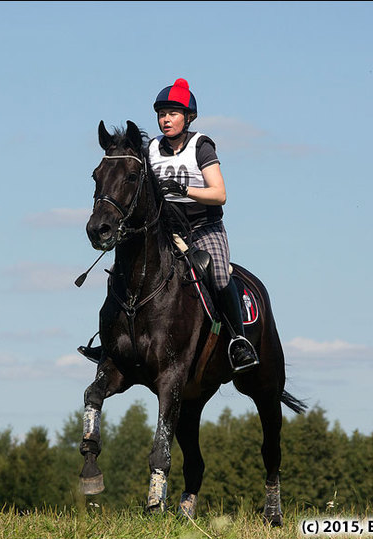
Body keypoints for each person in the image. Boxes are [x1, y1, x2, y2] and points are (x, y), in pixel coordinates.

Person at [79, 78, 258, 373]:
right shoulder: (150, 151)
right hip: (168, 231)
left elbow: (220, 194)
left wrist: (185, 190)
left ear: (187, 118)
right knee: (125, 269)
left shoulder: (201, 146)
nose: (166, 120)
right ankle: (111, 342)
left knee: (218, 274)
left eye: (172, 114)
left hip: (203, 228)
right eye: (162, 114)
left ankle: (238, 341)